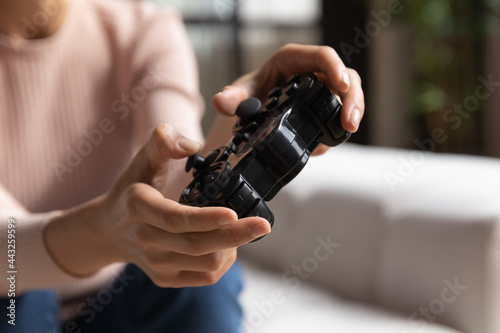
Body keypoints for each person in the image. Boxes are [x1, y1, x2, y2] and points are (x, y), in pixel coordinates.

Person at [0, 0, 365, 332]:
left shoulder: (144, 29)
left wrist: (240, 127)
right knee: (20, 289)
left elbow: (177, 192)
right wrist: (105, 232)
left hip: (124, 293)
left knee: (199, 269)